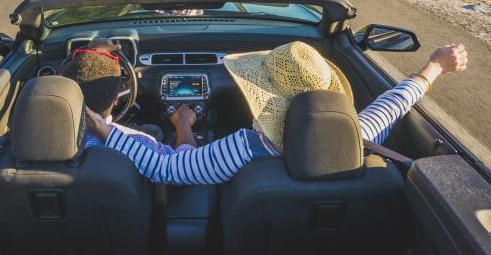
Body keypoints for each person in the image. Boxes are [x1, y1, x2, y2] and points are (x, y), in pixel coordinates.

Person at [84, 40, 468, 185]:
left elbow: (169, 170)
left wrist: (99, 126)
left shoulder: (245, 148)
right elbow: (396, 102)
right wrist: (434, 67)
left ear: (261, 94)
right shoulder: (356, 134)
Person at [58, 41, 191, 152]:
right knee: (156, 132)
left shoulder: (40, 135)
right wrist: (183, 123)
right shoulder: (141, 143)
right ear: (115, 99)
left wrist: (89, 51)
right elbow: (183, 168)